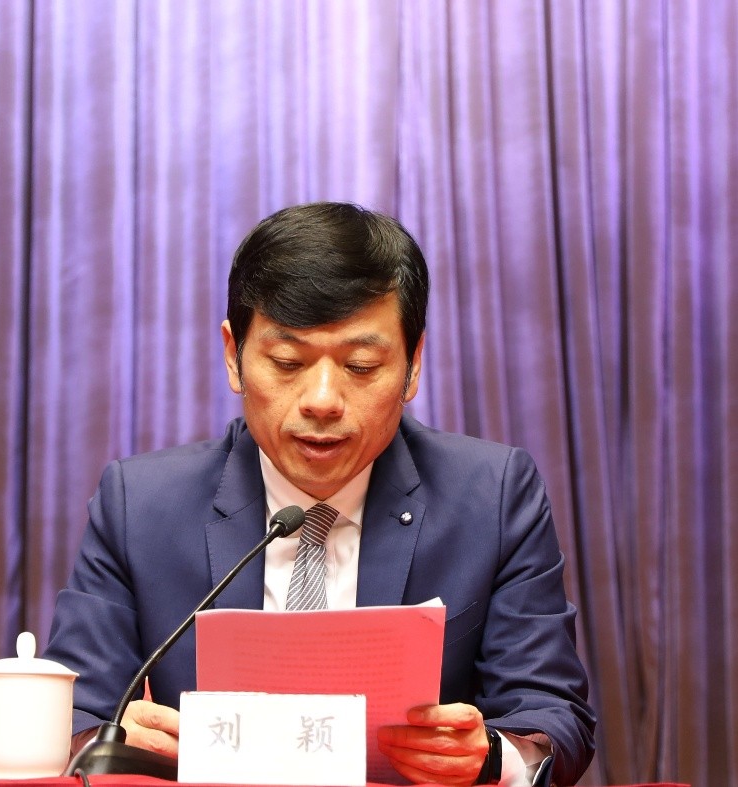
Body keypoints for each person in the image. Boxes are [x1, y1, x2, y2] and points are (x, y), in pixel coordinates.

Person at [45, 202, 595, 786]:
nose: (323, 401)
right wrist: (112, 742)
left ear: (412, 365)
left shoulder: (492, 496)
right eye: (288, 362)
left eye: (361, 366)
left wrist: (490, 757)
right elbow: (74, 714)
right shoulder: (140, 504)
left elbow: (552, 717)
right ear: (234, 356)